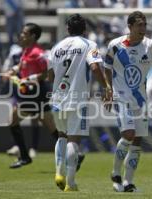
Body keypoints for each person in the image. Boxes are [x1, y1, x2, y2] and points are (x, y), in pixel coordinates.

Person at [104, 11, 152, 192]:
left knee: (137, 141)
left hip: (140, 100)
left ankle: (128, 182)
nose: (143, 28)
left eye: (145, 25)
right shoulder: (115, 45)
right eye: (139, 25)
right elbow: (107, 68)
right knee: (128, 134)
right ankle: (116, 172)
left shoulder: (151, 46)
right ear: (130, 26)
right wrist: (108, 89)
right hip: (121, 96)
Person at [48, 14, 111, 192]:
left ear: (68, 29)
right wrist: (106, 86)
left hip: (57, 98)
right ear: (85, 29)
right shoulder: (88, 44)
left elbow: (50, 75)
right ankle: (70, 182)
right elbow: (94, 67)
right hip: (78, 98)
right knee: (73, 140)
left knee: (61, 135)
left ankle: (58, 172)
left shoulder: (56, 47)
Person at [2, 23, 59, 169]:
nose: (21, 35)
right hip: (31, 94)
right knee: (51, 127)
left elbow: (47, 73)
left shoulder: (38, 53)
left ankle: (25, 156)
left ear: (33, 36)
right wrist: (12, 71)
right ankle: (75, 155)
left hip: (35, 94)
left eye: (24, 33)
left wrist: (28, 79)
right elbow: (21, 66)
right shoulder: (27, 51)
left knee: (12, 120)